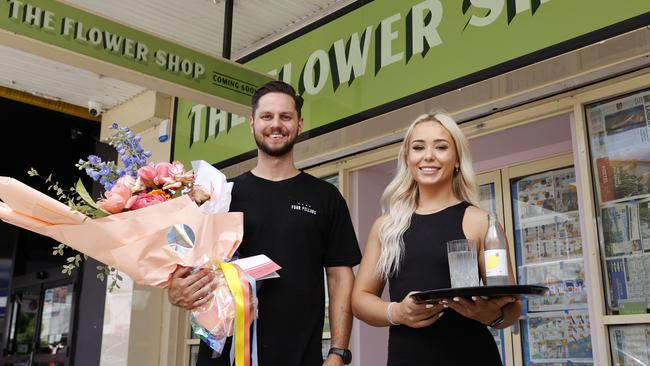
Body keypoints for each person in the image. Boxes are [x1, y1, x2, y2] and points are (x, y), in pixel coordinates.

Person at [167, 80, 361, 366]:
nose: (276, 124)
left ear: (299, 123)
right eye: (267, 116)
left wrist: (338, 352)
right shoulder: (220, 196)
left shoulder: (325, 197)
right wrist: (176, 289)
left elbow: (340, 277)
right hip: (224, 354)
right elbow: (184, 259)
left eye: (285, 116)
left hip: (300, 355)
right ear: (252, 123)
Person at [351, 113, 521, 365]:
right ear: (407, 158)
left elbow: (512, 306)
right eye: (418, 147)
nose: (428, 155)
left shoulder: (481, 221)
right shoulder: (386, 227)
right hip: (407, 358)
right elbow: (360, 300)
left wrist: (492, 315)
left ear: (457, 160)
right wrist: (396, 312)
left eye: (441, 147)